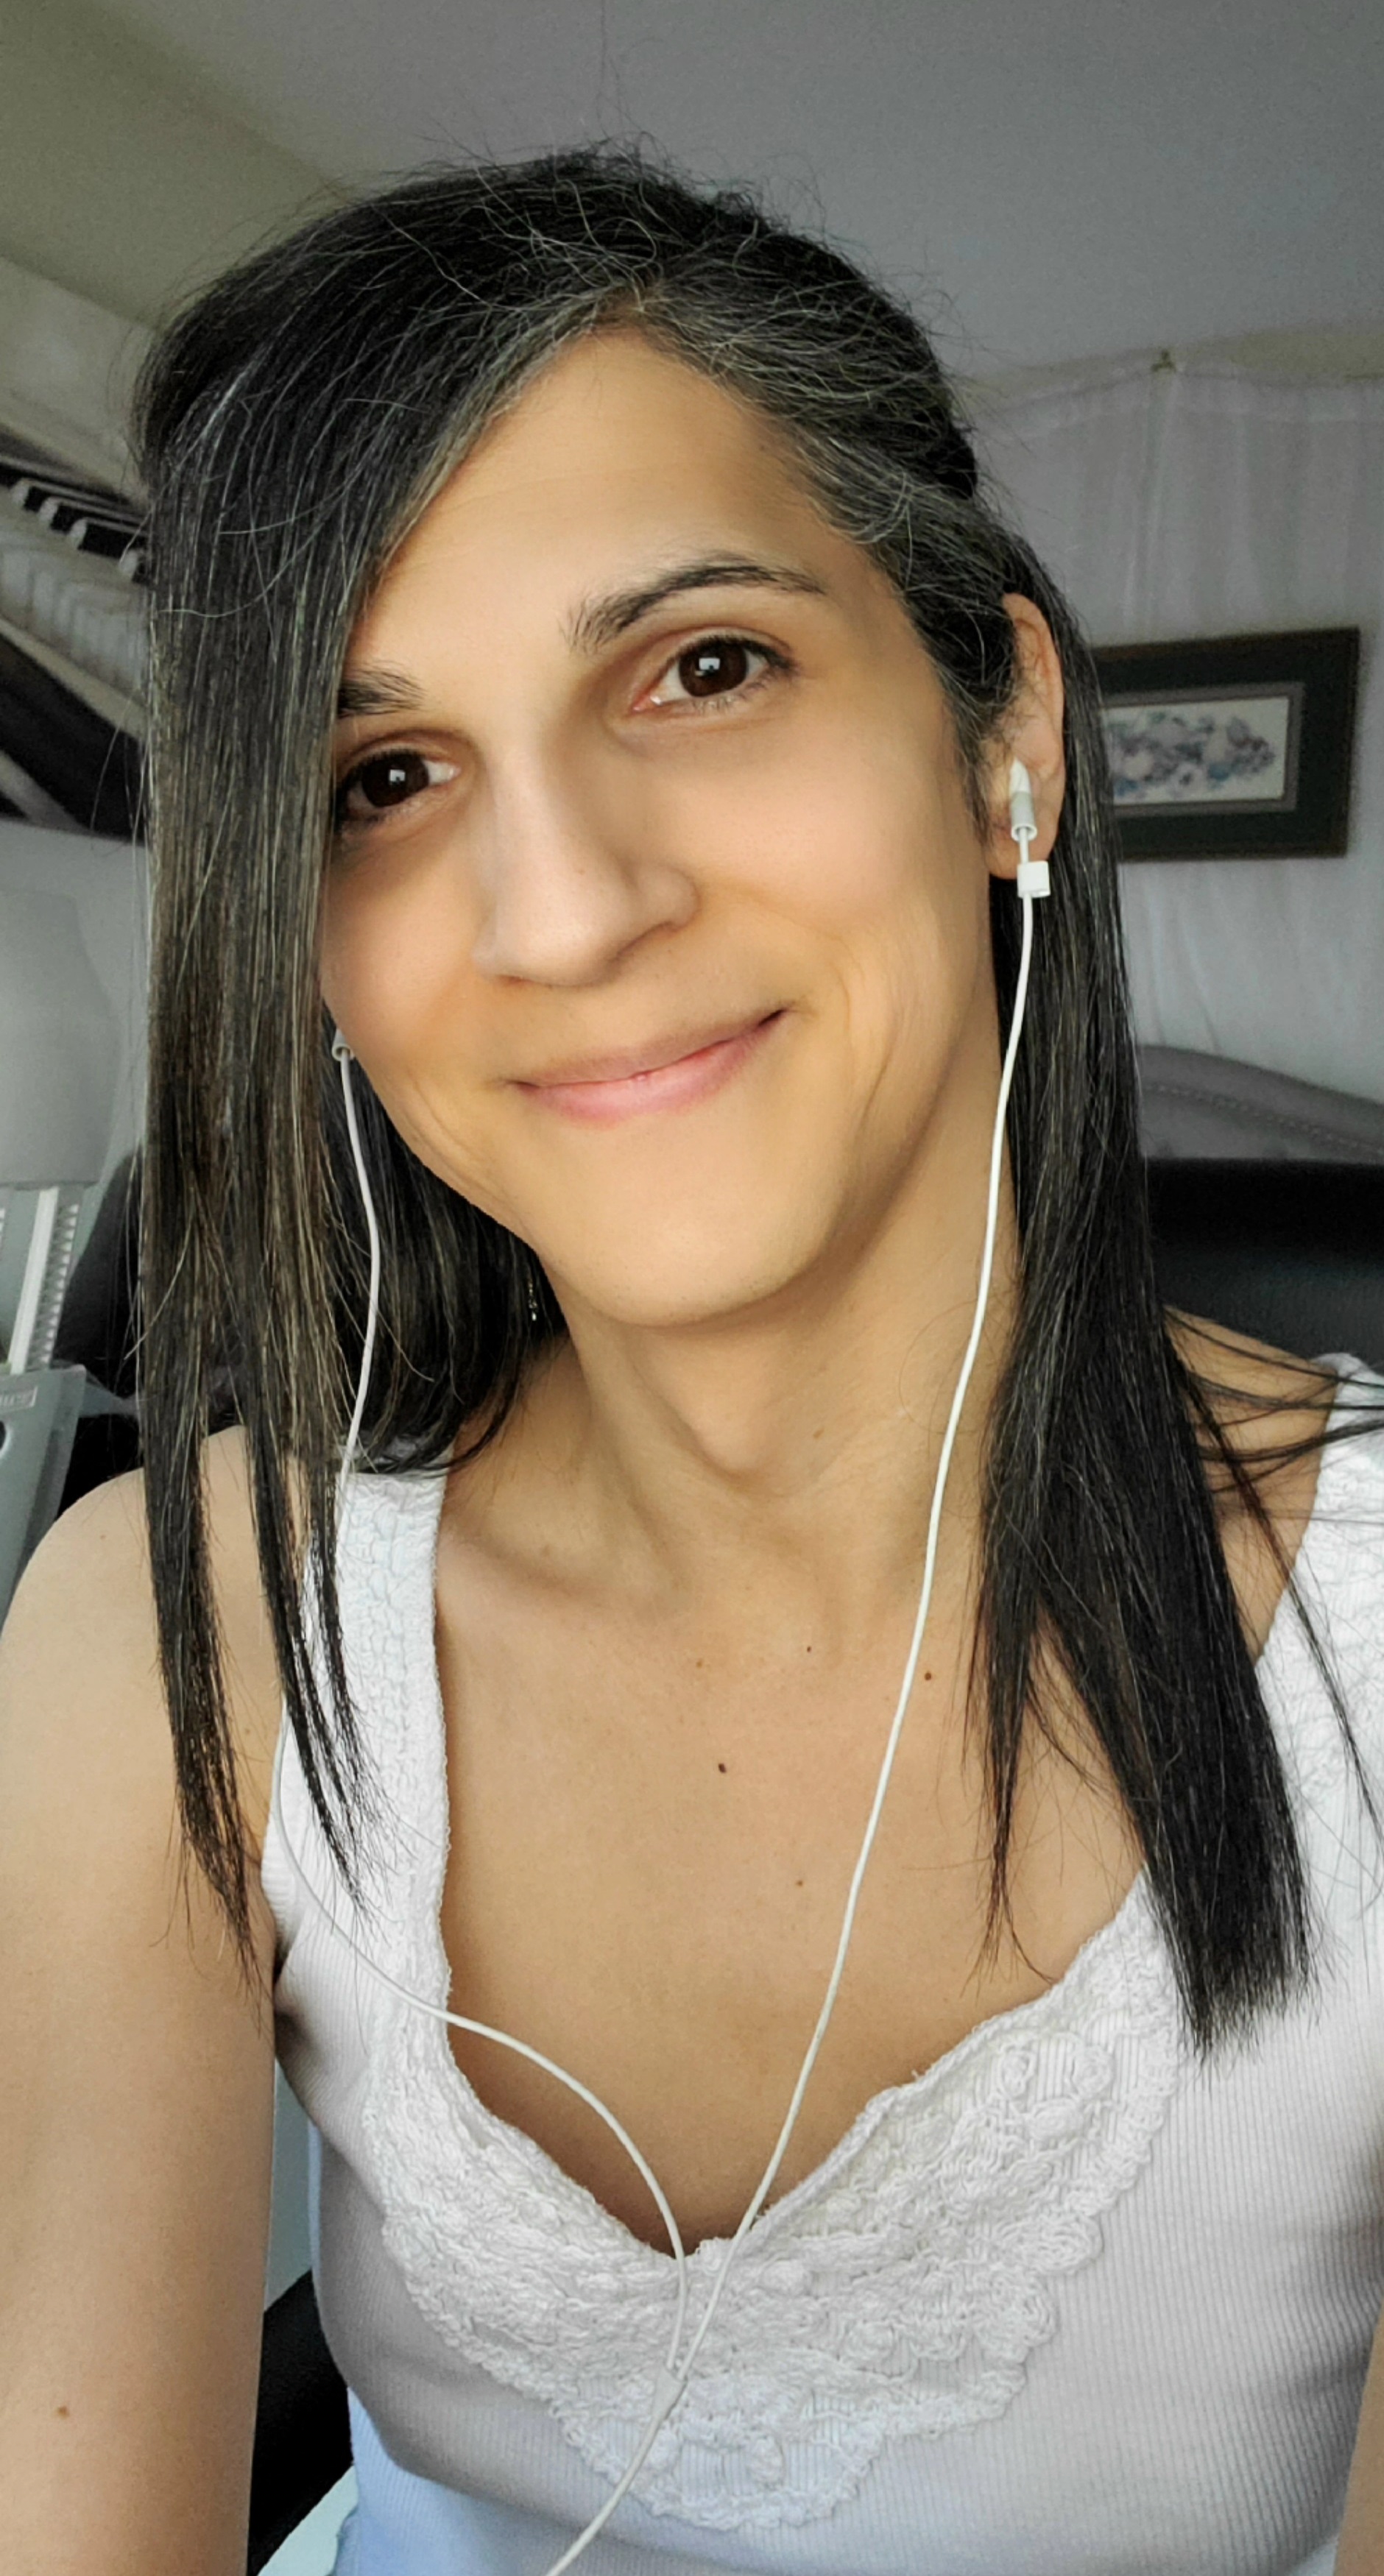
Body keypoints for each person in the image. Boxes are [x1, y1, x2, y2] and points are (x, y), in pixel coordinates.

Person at [1, 146, 1382, 2576]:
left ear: (1007, 741)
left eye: (705, 665)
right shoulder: (175, 1626)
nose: (565, 908)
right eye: (384, 780)